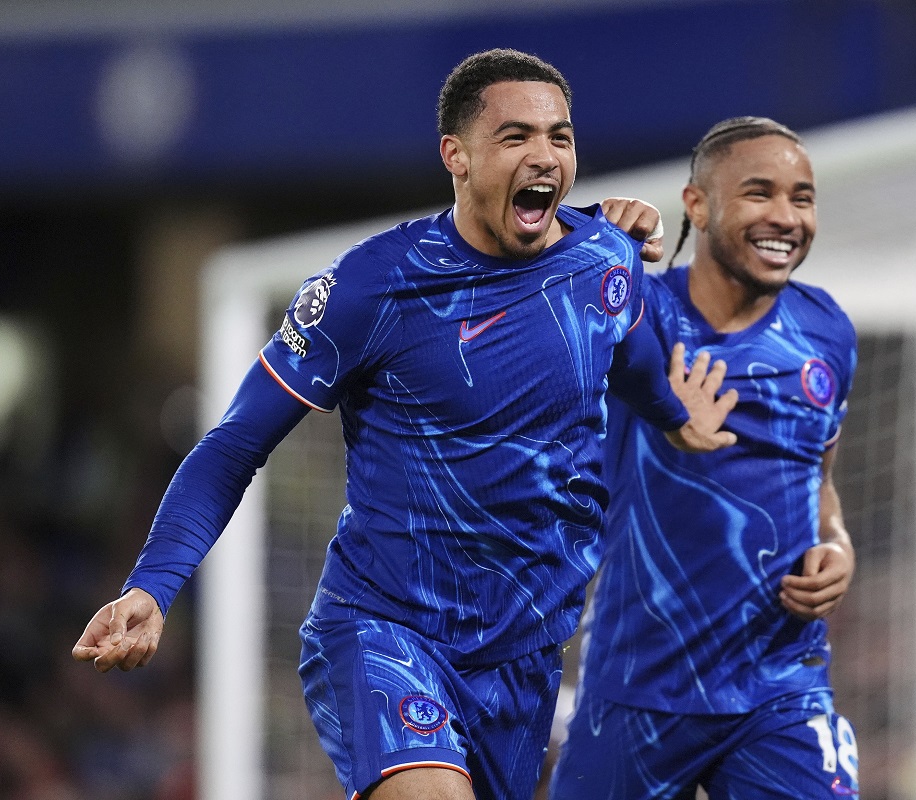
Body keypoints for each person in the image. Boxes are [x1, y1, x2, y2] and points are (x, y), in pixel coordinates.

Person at [72, 49, 736, 800]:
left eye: (560, 136)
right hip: (385, 631)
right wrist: (153, 587)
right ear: (456, 154)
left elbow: (641, 365)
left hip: (525, 658)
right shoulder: (372, 286)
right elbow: (232, 446)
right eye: (515, 137)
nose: (545, 155)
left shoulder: (606, 264)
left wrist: (683, 418)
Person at [550, 116, 860, 800]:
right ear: (697, 205)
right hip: (640, 687)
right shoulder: (639, 314)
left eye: (801, 198)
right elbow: (526, 276)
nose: (785, 216)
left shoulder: (827, 331)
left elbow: (822, 481)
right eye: (759, 193)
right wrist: (599, 233)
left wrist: (836, 545)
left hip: (780, 686)